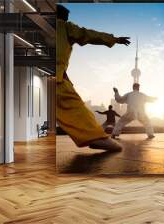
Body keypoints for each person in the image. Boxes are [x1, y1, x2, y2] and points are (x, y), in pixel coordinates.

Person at [56, 5, 130, 151]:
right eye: (67, 18)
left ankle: (99, 135)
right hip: (55, 76)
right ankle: (96, 137)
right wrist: (114, 39)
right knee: (74, 106)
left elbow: (113, 110)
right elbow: (89, 34)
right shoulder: (63, 26)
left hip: (41, 71)